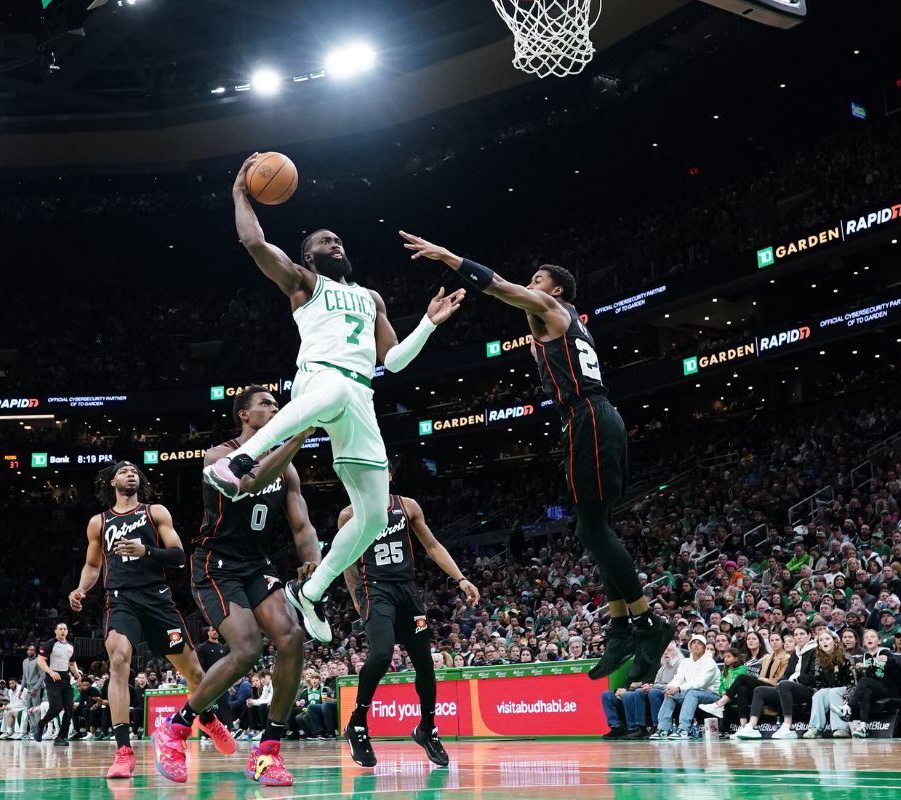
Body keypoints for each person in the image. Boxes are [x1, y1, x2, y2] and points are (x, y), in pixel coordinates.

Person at [203, 156, 465, 648]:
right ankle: (239, 462)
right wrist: (240, 192)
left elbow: (397, 361)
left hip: (359, 397)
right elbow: (255, 243)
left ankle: (313, 589)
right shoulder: (305, 285)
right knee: (339, 387)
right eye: (324, 242)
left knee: (372, 515)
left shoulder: (372, 298)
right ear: (308, 258)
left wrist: (429, 322)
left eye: (338, 240)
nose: (334, 244)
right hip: (320, 381)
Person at [403, 233, 671, 681]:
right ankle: (622, 625)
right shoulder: (553, 325)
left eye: (538, 279)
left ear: (557, 290)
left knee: (592, 528)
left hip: (589, 415)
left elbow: (500, 287)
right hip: (587, 418)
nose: (531, 283)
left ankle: (646, 623)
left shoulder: (554, 309)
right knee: (593, 528)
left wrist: (448, 256)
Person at [162, 387, 322, 786]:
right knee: (248, 648)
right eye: (266, 404)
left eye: (278, 405)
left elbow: (301, 526)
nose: (275, 408)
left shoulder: (288, 470)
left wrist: (315, 563)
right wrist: (299, 437)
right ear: (245, 416)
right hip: (216, 565)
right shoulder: (218, 456)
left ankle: (267, 752)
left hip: (255, 565)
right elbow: (249, 481)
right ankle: (175, 728)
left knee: (291, 637)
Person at [69, 461, 234, 780]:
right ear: (113, 482)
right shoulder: (98, 522)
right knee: (118, 661)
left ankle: (208, 717)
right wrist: (80, 588)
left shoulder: (155, 512)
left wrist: (145, 550)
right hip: (120, 598)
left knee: (195, 672)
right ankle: (123, 752)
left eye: (135, 472)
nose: (131, 474)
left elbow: (177, 556)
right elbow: (92, 566)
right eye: (124, 471)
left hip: (156, 597)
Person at [340, 487, 480, 767]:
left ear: (388, 475)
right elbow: (348, 561)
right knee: (380, 655)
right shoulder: (350, 513)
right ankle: (357, 724)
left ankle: (426, 728)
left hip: (406, 589)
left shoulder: (408, 506)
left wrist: (460, 578)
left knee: (425, 664)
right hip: (375, 591)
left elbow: (432, 545)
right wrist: (359, 601)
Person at [651, 635, 719, 739]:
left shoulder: (710, 662)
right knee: (671, 694)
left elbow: (701, 683)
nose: (696, 645)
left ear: (704, 648)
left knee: (692, 693)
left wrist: (678, 688)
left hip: (711, 694)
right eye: (694, 642)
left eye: (699, 643)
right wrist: (670, 688)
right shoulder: (685, 662)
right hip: (691, 693)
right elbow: (678, 678)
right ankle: (663, 729)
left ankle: (684, 729)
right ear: (689, 646)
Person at [837, 628, 901, 738]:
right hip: (876, 688)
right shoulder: (864, 656)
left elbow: (898, 667)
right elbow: (869, 678)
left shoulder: (885, 652)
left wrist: (889, 660)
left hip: (890, 688)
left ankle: (849, 707)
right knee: (866, 692)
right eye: (866, 637)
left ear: (879, 641)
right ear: (864, 642)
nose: (869, 639)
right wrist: (861, 671)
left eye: (872, 637)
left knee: (866, 682)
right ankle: (863, 726)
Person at [34, 622, 83, 746]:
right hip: (52, 679)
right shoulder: (50, 644)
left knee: (69, 709)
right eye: (60, 628)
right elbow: (40, 661)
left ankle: (60, 737)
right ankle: (41, 724)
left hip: (65, 678)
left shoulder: (70, 646)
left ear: (67, 631)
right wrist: (51, 672)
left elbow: (72, 663)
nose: (63, 631)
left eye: (65, 629)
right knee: (56, 708)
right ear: (56, 631)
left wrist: (77, 674)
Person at [20, 644, 44, 738]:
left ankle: (40, 731)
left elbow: (42, 676)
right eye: (29, 649)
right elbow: (24, 677)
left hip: (37, 688)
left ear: (35, 651)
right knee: (29, 710)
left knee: (36, 710)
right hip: (28, 688)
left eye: (32, 650)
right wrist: (21, 689)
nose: (30, 651)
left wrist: (35, 688)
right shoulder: (24, 661)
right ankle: (34, 730)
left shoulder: (39, 661)